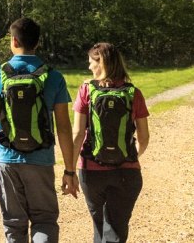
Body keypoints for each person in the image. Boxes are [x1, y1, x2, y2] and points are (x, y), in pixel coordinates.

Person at [0, 18, 80, 243]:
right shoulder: (54, 77)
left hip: (8, 158)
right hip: (41, 159)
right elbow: (64, 129)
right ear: (37, 43)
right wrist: (69, 170)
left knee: (14, 223)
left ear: (14, 41)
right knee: (44, 220)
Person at [73, 42, 150, 243]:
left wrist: (70, 170)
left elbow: (78, 133)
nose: (89, 66)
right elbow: (144, 138)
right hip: (126, 172)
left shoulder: (86, 90)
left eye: (91, 62)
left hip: (91, 171)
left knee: (100, 228)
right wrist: (130, 156)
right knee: (115, 229)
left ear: (101, 63)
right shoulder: (133, 93)